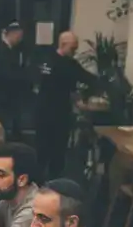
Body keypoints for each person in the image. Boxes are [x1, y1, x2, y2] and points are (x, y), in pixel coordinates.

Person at [35, 31, 98, 179]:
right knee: (44, 149)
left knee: (58, 150)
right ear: (63, 45)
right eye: (73, 48)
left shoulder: (65, 62)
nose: (75, 51)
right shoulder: (52, 61)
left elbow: (88, 78)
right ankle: (38, 180)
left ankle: (53, 180)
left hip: (59, 111)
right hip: (47, 111)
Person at [0, 22, 25, 140]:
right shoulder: (1, 52)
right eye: (18, 36)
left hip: (4, 96)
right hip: (2, 96)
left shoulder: (8, 51)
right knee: (1, 126)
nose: (20, 39)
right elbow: (6, 74)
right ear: (11, 34)